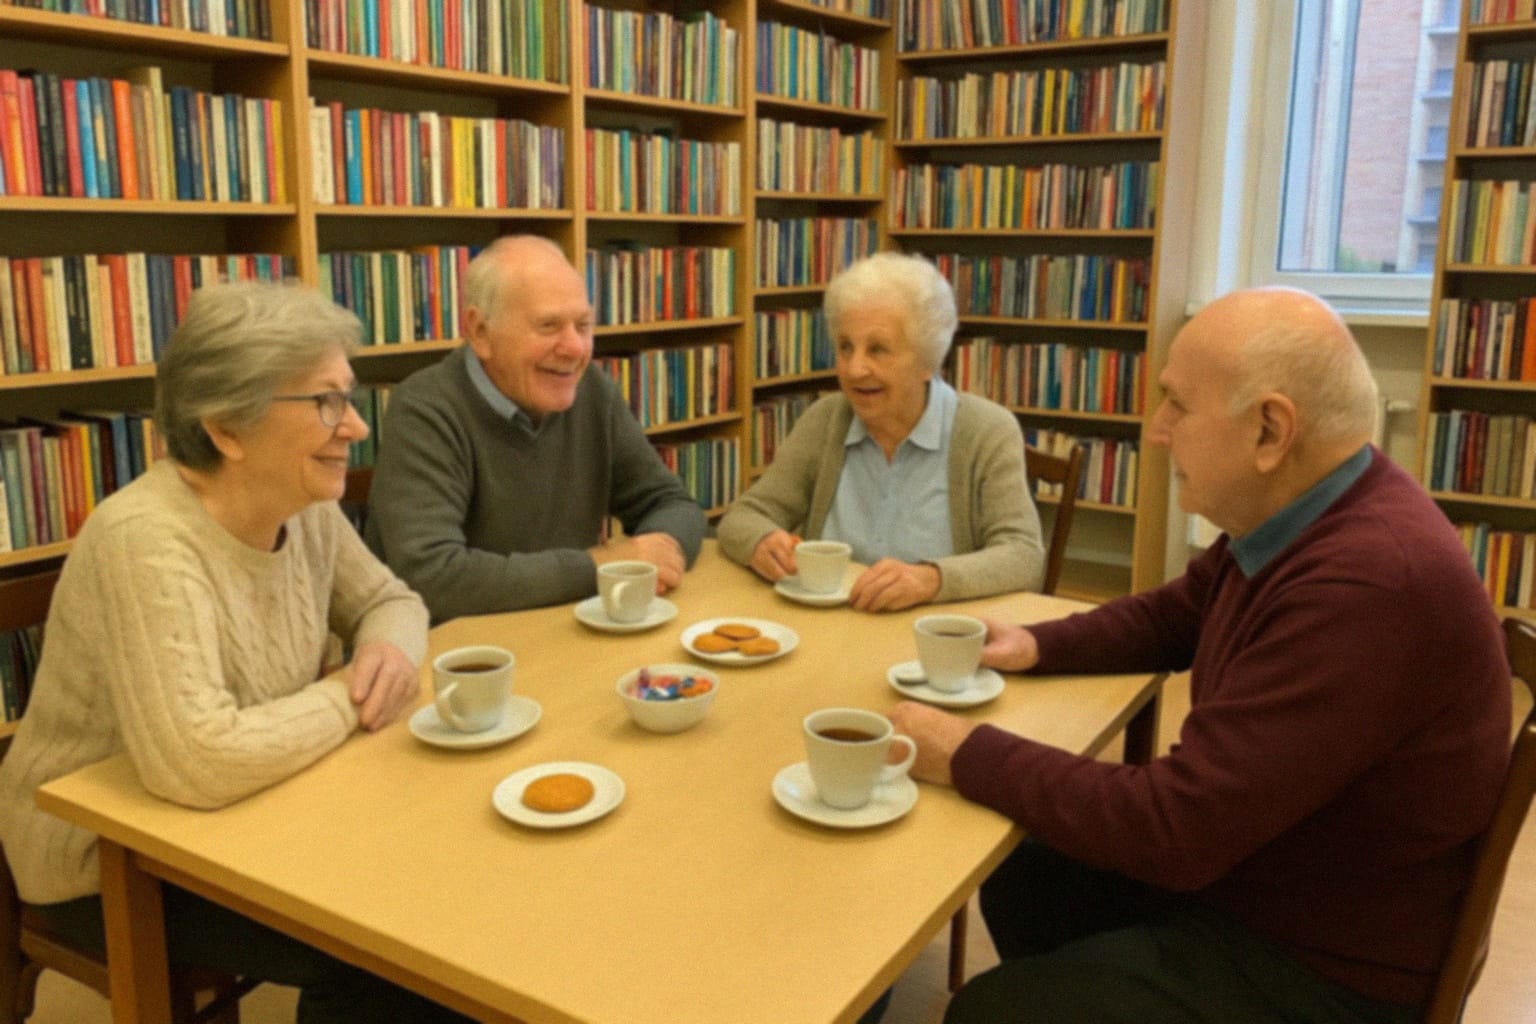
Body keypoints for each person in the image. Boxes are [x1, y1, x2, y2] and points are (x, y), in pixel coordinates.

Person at [890, 286, 1511, 1024]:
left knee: (994, 1012)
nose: (1157, 431)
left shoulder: (1367, 582)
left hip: (1328, 966)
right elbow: (1176, 614)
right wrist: (1036, 641)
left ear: (1270, 430)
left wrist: (962, 751)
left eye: (1178, 405)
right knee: (1030, 872)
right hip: (1280, 873)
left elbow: (1173, 830)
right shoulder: (1315, 509)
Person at [0, 282, 470, 1024]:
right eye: (324, 402)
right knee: (376, 951)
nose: (353, 425)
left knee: (439, 885)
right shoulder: (145, 539)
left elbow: (394, 602)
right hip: (101, 855)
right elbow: (200, 759)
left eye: (349, 397)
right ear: (225, 426)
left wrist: (386, 653)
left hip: (251, 805)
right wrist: (350, 693)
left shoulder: (303, 501)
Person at [365, 234, 706, 622]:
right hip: (454, 661)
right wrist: (603, 564)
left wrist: (661, 550)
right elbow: (433, 579)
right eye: (549, 326)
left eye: (583, 325)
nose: (575, 348)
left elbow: (672, 503)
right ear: (479, 332)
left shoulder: (590, 391)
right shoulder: (426, 409)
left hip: (562, 635)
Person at [717, 252, 1044, 611]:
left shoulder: (986, 431)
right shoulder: (825, 420)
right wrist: (762, 542)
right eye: (845, 347)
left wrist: (930, 579)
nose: (855, 369)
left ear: (927, 360)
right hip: (829, 630)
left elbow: (1023, 556)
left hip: (928, 636)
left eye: (878, 349)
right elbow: (743, 517)